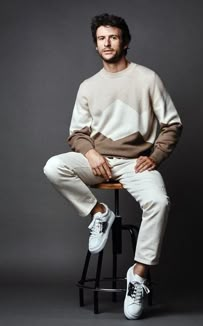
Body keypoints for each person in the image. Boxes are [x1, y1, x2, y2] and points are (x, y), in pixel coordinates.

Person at [44, 13, 182, 320]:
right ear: (96, 45)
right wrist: (91, 154)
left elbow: (172, 124)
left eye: (114, 37)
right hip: (99, 161)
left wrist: (156, 156)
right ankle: (100, 214)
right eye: (102, 38)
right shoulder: (88, 86)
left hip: (136, 164)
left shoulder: (148, 78)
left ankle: (139, 274)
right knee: (54, 166)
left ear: (126, 42)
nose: (107, 43)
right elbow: (77, 133)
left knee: (159, 202)